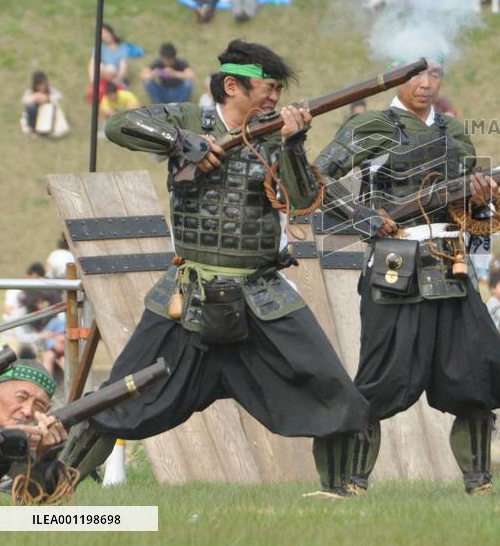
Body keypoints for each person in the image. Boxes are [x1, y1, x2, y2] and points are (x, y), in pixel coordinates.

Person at [61, 40, 370, 499]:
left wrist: (294, 142)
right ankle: (49, 488)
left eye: (277, 90)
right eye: (268, 88)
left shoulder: (277, 137)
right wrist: (182, 143)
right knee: (118, 395)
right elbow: (120, 125)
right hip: (187, 291)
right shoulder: (186, 120)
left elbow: (303, 202)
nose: (274, 99)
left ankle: (342, 492)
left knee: (333, 387)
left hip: (263, 291)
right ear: (232, 85)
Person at [312, 59, 500, 496]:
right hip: (395, 266)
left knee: (476, 373)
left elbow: (465, 210)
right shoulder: (368, 126)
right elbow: (315, 180)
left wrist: (481, 199)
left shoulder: (454, 132)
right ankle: (352, 482)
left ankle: (479, 482)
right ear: (395, 76)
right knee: (379, 380)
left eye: (434, 75)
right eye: (415, 75)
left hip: (451, 263)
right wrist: (363, 217)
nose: (425, 84)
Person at [0, 361, 69, 488]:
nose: (28, 411)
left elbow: (33, 499)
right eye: (21, 397)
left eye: (39, 405)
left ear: (46, 411)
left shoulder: (29, 447)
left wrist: (44, 456)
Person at [86, 23, 128, 104]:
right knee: (100, 66)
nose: (105, 36)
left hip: (114, 75)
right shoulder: (100, 47)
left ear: (111, 32)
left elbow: (123, 67)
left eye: (106, 32)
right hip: (101, 75)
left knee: (110, 68)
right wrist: (92, 80)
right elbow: (92, 64)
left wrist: (117, 80)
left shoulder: (122, 48)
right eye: (102, 34)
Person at [20, 71, 67, 138]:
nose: (42, 87)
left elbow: (59, 96)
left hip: (47, 115)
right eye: (39, 85)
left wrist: (47, 98)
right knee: (31, 109)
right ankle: (34, 130)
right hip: (35, 115)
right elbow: (25, 101)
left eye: (43, 85)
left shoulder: (50, 90)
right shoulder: (30, 91)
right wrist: (35, 97)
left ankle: (48, 130)